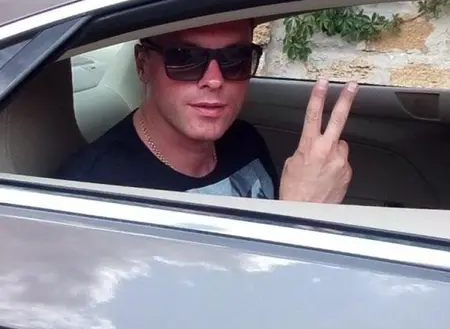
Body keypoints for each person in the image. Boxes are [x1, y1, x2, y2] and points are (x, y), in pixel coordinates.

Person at [57, 19, 358, 203]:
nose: (214, 80)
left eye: (235, 58)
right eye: (185, 58)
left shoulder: (245, 140)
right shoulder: (93, 191)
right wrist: (299, 218)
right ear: (142, 64)